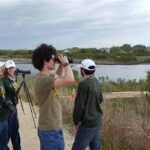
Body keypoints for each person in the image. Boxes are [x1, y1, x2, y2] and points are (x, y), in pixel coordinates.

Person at [32, 43, 75, 150]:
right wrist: (66, 64)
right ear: (45, 61)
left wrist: (60, 65)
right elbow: (70, 79)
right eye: (53, 58)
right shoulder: (43, 80)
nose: (55, 61)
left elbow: (56, 76)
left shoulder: (44, 78)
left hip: (51, 129)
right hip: (50, 131)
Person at [72, 59, 103, 150]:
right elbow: (100, 99)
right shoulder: (96, 81)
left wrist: (76, 121)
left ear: (83, 70)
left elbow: (79, 106)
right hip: (97, 120)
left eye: (80, 69)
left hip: (87, 124)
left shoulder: (83, 84)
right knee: (95, 147)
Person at [1, 60, 21, 150]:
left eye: (12, 67)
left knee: (15, 130)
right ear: (6, 69)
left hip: (13, 109)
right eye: (9, 68)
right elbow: (3, 96)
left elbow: (15, 91)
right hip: (7, 110)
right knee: (8, 132)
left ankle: (17, 147)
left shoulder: (14, 78)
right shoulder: (3, 80)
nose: (11, 69)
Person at [0, 61, 9, 150]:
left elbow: (3, 96)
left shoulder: (1, 81)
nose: (3, 69)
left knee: (4, 141)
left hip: (4, 116)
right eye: (1, 67)